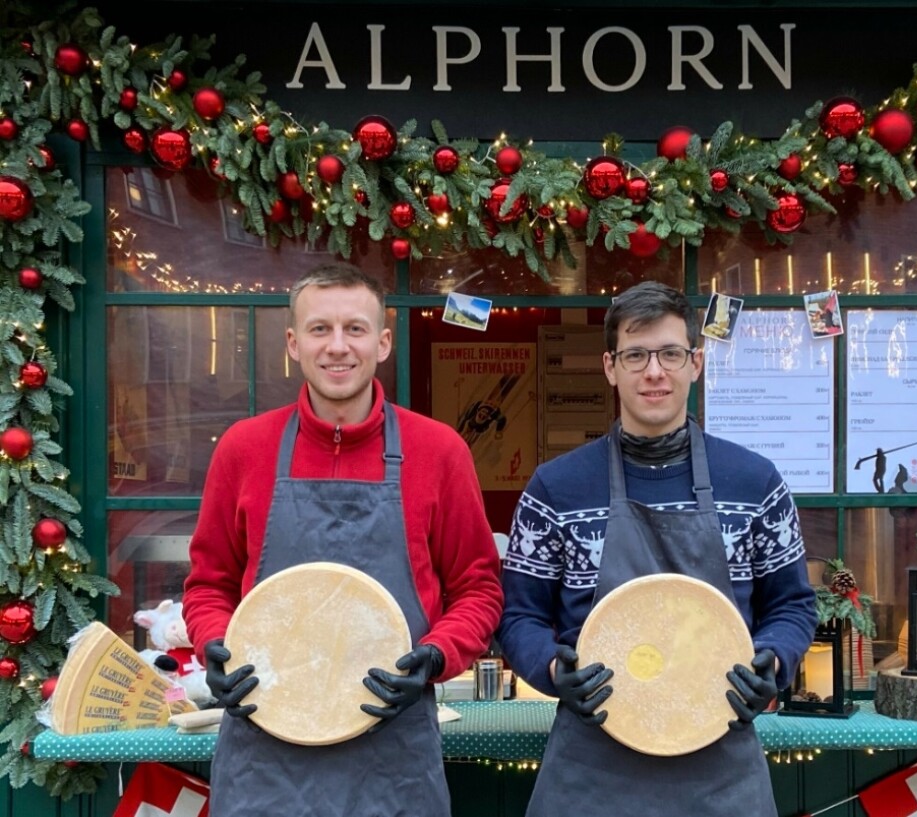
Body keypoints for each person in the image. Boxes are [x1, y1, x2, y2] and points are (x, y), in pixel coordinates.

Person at [183, 262, 503, 817]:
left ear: (382, 343)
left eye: (355, 329)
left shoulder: (439, 451)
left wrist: (434, 656)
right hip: (266, 758)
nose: (338, 347)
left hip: (393, 756)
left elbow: (478, 588)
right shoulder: (243, 449)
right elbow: (208, 584)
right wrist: (215, 646)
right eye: (319, 329)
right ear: (293, 343)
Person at [497, 281, 817, 817]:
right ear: (609, 365)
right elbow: (519, 615)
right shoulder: (557, 488)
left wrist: (774, 661)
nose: (653, 371)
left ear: (694, 362)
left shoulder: (754, 481)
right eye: (636, 354)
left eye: (670, 353)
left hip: (720, 775)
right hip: (591, 776)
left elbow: (792, 605)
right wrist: (554, 670)